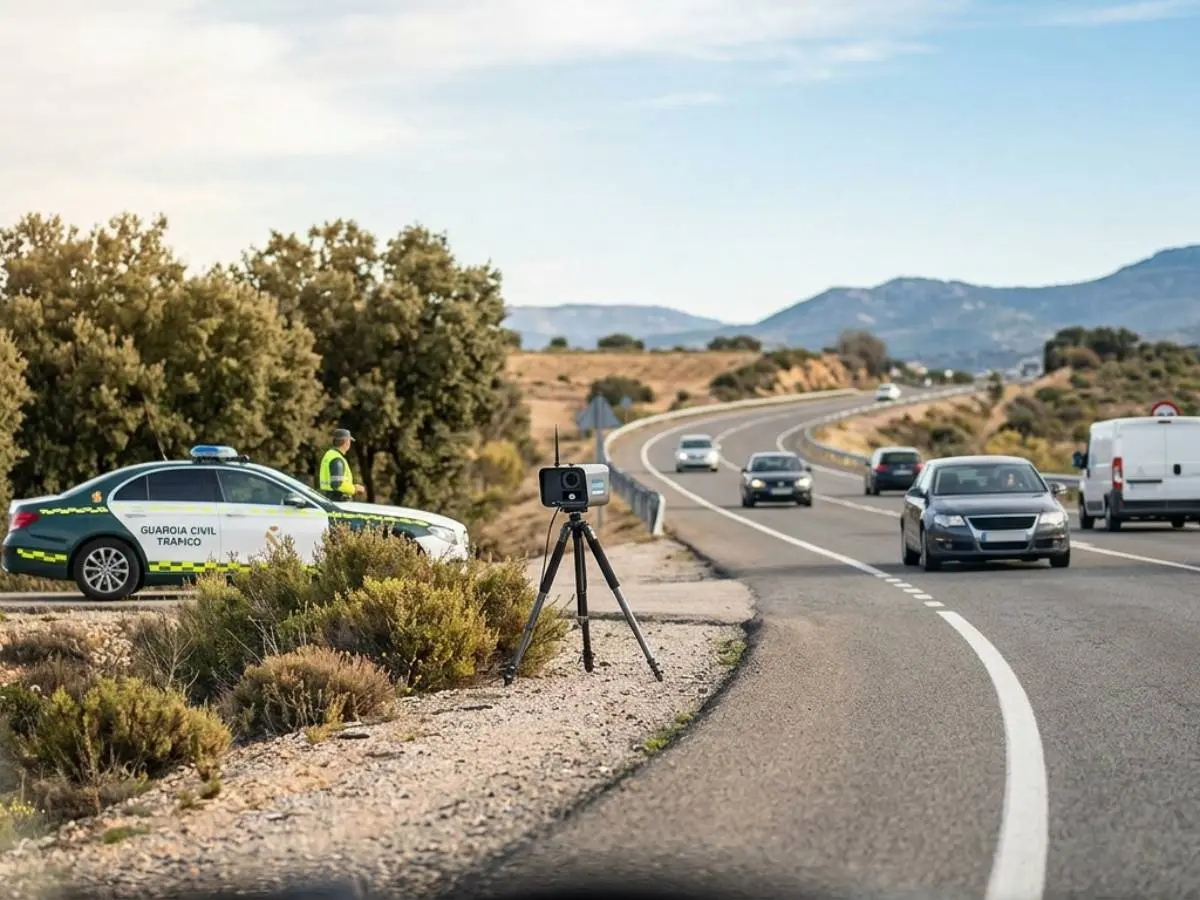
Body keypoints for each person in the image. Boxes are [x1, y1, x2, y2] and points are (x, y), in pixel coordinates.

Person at [319, 428, 366, 501]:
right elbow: (338, 485)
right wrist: (355, 489)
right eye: (349, 441)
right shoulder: (337, 459)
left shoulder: (329, 455)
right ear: (346, 442)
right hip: (339, 500)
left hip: (329, 498)